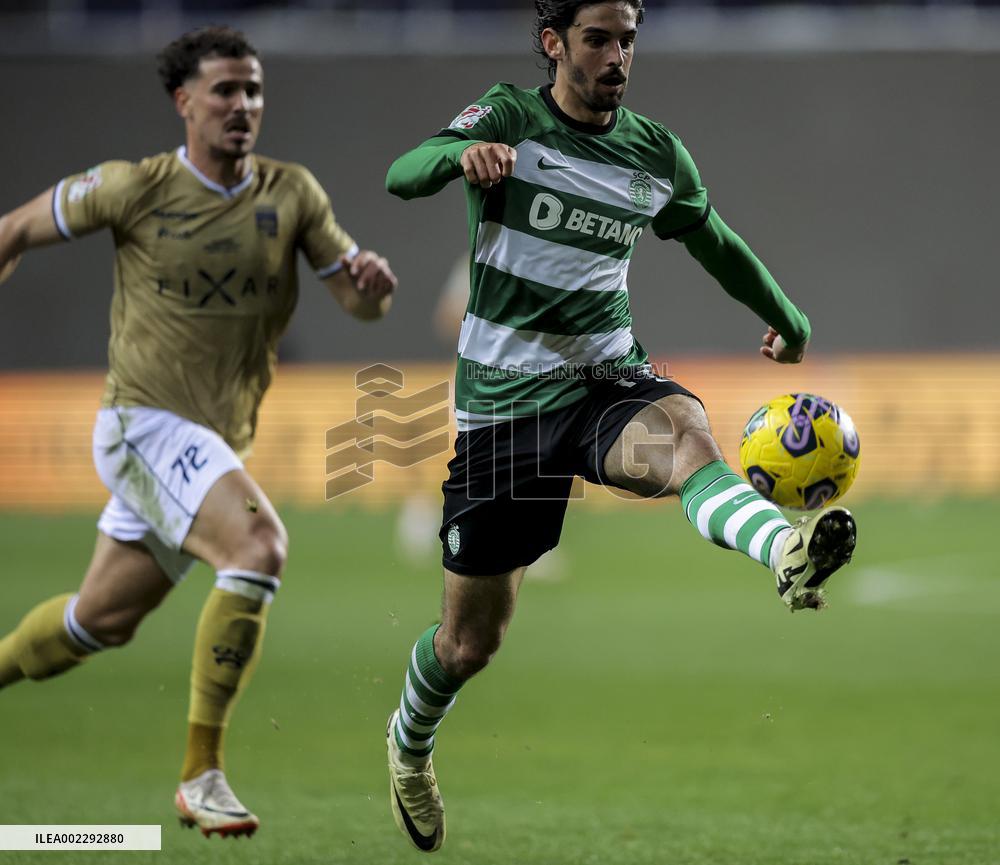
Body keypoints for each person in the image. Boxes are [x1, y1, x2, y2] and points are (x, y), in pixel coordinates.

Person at [382, 0, 856, 852]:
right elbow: (403, 169)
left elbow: (711, 239)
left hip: (605, 383)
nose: (617, 57)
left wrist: (789, 317)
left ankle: (786, 550)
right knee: (469, 642)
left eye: (628, 39)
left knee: (686, 438)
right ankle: (409, 744)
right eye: (598, 39)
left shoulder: (653, 153)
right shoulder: (510, 117)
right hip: (504, 411)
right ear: (553, 42)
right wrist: (461, 154)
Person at [0, 26, 396, 838]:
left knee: (96, 622)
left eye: (253, 90)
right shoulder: (132, 188)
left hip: (211, 443)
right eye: (224, 90)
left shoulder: (293, 194)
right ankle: (201, 774)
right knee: (258, 548)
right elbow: (9, 231)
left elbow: (360, 303)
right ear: (184, 101)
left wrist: (371, 288)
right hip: (142, 422)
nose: (243, 106)